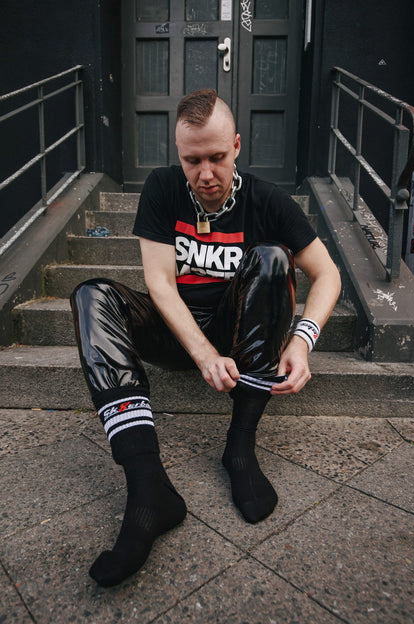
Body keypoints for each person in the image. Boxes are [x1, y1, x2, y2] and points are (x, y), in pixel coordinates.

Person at [70, 89, 341, 588]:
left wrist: (302, 340)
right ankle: (147, 486)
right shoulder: (162, 188)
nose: (206, 173)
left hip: (237, 335)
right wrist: (203, 355)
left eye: (217, 157)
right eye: (192, 161)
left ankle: (240, 446)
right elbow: (159, 283)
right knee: (92, 296)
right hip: (177, 333)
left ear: (236, 145)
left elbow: (328, 274)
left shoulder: (267, 200)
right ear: (179, 155)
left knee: (273, 259)